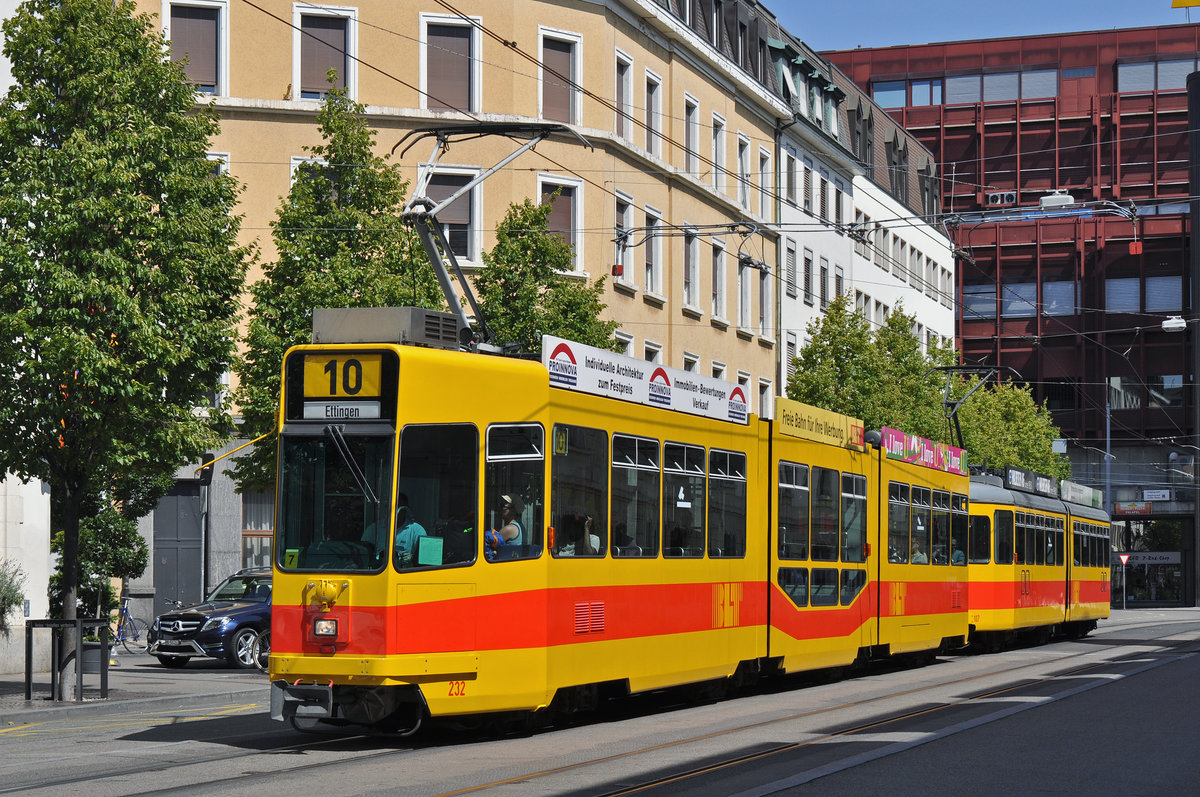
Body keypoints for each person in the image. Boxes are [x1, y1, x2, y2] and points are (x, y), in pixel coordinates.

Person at [485, 493, 524, 560]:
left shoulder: (509, 529)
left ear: (513, 510)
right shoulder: (520, 526)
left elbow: (491, 541)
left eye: (503, 506)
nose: (499, 509)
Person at [393, 492, 427, 567]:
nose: (396, 511)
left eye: (399, 507)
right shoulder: (375, 528)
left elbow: (425, 559)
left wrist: (412, 558)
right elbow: (364, 550)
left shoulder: (417, 530)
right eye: (393, 507)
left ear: (406, 509)